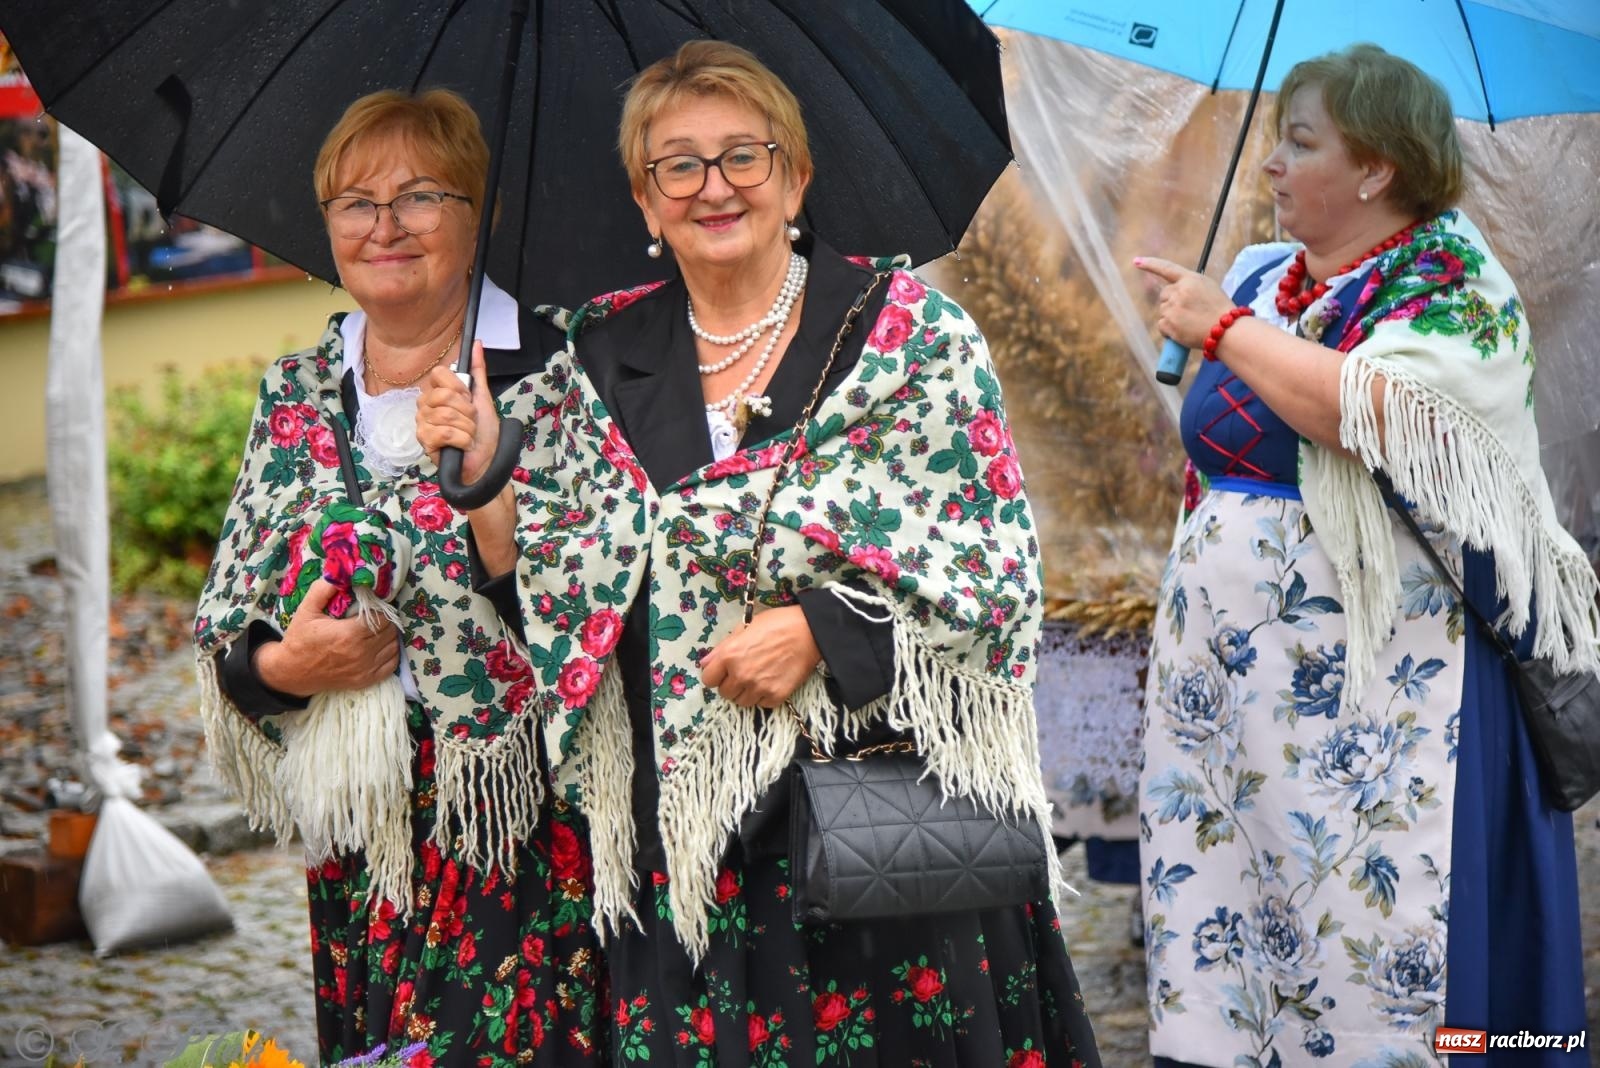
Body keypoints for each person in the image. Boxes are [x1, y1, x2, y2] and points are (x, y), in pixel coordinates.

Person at [419, 38, 1102, 1068]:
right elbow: (546, 590)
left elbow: (993, 570)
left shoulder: (911, 337)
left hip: (882, 824)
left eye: (745, 154)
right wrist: (480, 473)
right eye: (677, 165)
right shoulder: (598, 358)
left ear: (796, 176)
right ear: (645, 203)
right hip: (686, 850)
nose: (714, 186)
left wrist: (827, 627)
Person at [1133, 44, 1598, 1067]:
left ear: (1378, 167)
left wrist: (1223, 331)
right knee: (1240, 935)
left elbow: (1369, 414)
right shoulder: (1267, 279)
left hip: (1388, 706)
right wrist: (1229, 318)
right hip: (1238, 709)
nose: (1271, 167)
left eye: (1300, 144)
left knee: (1378, 939)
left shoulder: (1453, 292)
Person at [194, 89, 607, 1065]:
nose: (384, 227)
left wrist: (489, 474)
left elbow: (591, 601)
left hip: (512, 822)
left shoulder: (551, 370)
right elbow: (228, 624)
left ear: (481, 213)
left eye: (421, 196)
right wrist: (290, 667)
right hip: (357, 825)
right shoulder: (296, 391)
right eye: (354, 202)